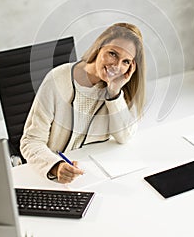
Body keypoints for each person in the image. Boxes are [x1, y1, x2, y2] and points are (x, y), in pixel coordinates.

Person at [20, 22, 146, 184]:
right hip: (55, 179)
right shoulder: (57, 79)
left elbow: (125, 136)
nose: (116, 66)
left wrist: (113, 93)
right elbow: (30, 141)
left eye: (126, 61)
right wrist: (56, 166)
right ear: (99, 47)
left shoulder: (119, 88)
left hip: (95, 177)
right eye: (112, 54)